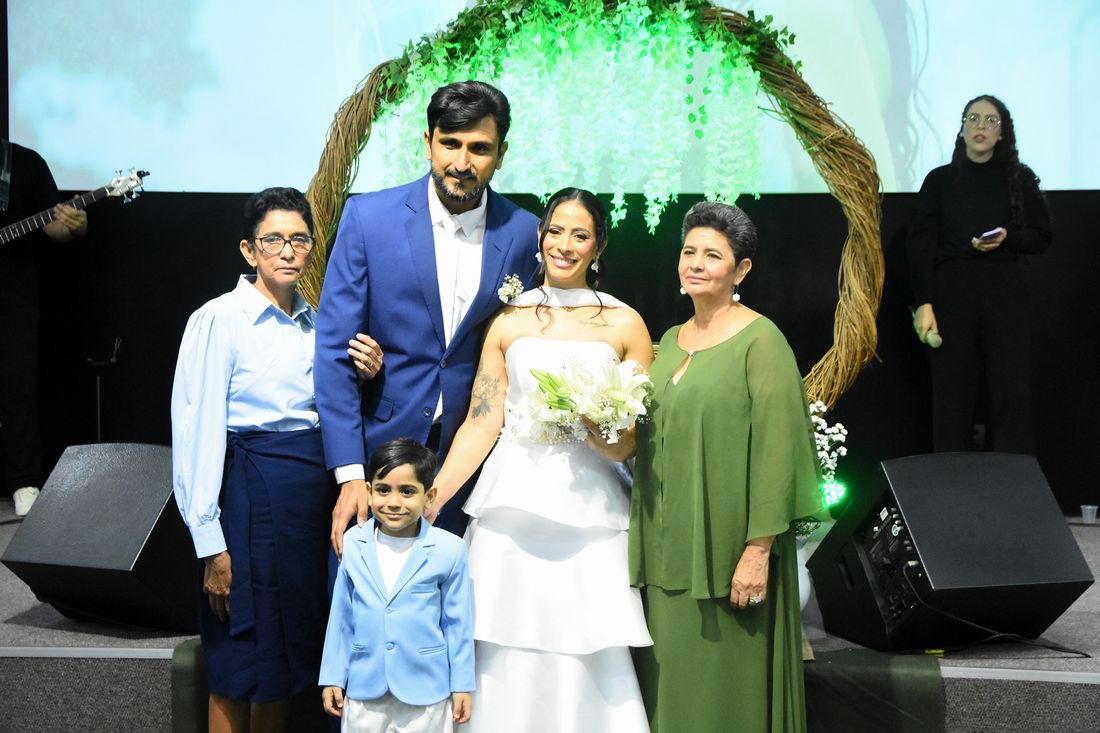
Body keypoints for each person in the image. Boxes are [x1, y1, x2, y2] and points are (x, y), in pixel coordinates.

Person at [422, 187, 654, 731]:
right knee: (503, 631)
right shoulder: (509, 319)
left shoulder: (625, 324)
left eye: (580, 235)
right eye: (556, 231)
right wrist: (433, 498)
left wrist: (602, 437)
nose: (565, 245)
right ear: (541, 236)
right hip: (514, 497)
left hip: (592, 503)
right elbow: (483, 421)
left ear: (598, 247)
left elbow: (632, 442)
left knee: (587, 636)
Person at [315, 80, 540, 551]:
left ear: (501, 153)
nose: (462, 162)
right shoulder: (368, 219)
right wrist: (350, 473)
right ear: (427, 142)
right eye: (450, 144)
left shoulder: (525, 234)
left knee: (461, 592)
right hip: (380, 456)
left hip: (479, 463)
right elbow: (334, 352)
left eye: (480, 148)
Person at [629, 201, 821, 732]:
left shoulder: (762, 340)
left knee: (727, 697)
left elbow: (780, 450)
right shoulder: (669, 342)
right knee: (670, 696)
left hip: (729, 554)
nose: (695, 263)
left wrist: (757, 552)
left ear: (741, 270)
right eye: (688, 251)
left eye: (712, 255)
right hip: (668, 553)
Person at [171, 187, 337, 733]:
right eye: (274, 240)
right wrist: (210, 542)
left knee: (287, 655)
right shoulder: (220, 318)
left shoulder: (318, 323)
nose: (288, 251)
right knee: (241, 652)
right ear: (249, 250)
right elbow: (196, 429)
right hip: (248, 496)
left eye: (299, 239)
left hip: (306, 502)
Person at [907, 94, 1052, 453]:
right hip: (952, 292)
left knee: (1010, 390)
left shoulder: (1020, 179)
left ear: (1002, 132)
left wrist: (1007, 237)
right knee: (952, 392)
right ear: (961, 129)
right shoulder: (939, 181)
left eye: (990, 120)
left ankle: (1012, 478)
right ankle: (950, 477)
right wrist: (924, 302)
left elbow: (1042, 237)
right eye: (972, 119)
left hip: (1004, 293)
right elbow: (920, 245)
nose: (980, 126)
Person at [320, 438, 474, 733]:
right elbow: (341, 617)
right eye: (383, 490)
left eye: (407, 491)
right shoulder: (354, 542)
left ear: (429, 496)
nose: (393, 502)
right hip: (365, 688)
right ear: (368, 492)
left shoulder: (449, 549)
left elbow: (457, 624)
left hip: (426, 691)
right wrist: (332, 675)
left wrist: (462, 683)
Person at [0, 140, 87, 516]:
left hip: (13, 298)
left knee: (18, 388)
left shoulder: (24, 163)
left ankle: (24, 482)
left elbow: (55, 228)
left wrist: (74, 226)